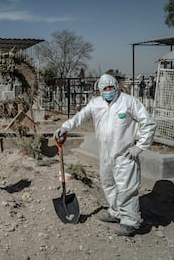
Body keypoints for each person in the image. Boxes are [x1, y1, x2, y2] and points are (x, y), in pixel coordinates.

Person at [54, 73, 156, 237]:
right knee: (108, 183)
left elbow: (148, 123)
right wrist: (65, 127)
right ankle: (116, 212)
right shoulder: (96, 104)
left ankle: (130, 222)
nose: (108, 91)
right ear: (100, 90)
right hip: (105, 152)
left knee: (126, 188)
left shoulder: (128, 102)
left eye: (111, 88)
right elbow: (80, 116)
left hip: (125, 153)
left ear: (116, 86)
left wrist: (140, 146)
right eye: (105, 89)